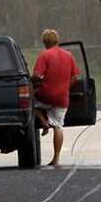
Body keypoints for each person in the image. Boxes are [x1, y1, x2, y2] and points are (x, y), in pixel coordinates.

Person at [31, 28, 79, 167]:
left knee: (28, 102)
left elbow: (38, 75)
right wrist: (66, 88)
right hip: (62, 98)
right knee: (58, 126)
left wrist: (32, 79)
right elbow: (75, 75)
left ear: (45, 42)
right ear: (57, 40)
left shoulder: (45, 55)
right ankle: (56, 159)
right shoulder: (68, 55)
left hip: (45, 95)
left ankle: (43, 122)